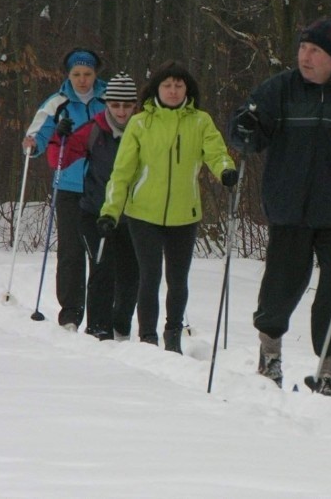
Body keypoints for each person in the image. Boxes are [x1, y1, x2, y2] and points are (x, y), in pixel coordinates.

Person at [228, 17, 331, 394]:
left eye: (315, 51)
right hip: (288, 210)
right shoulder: (279, 89)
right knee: (280, 289)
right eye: (302, 48)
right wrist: (243, 129)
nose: (305, 56)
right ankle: (270, 357)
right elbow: (246, 131)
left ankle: (328, 372)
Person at [99, 60, 237, 355]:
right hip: (143, 213)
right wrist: (110, 211)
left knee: (178, 278)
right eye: (167, 85)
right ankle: (147, 336)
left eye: (178, 85)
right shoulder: (140, 122)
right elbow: (121, 172)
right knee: (149, 275)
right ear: (156, 89)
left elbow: (215, 151)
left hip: (184, 214)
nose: (173, 91)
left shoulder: (200, 121)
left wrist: (225, 169)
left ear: (187, 89)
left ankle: (173, 333)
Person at [46, 72, 140, 342]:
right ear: (107, 103)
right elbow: (59, 161)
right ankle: (99, 329)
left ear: (134, 105)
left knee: (131, 275)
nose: (121, 111)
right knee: (102, 269)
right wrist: (59, 136)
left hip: (133, 216)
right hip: (95, 213)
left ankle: (121, 327)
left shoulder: (143, 129)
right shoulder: (94, 128)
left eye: (126, 105)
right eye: (115, 104)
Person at [22, 48, 107, 332]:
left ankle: (100, 315)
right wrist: (34, 143)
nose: (82, 80)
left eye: (87, 74)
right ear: (68, 75)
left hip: (102, 187)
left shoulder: (108, 100)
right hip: (69, 185)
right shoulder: (57, 103)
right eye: (77, 74)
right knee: (71, 251)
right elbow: (36, 134)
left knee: (100, 251)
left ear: (96, 75)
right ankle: (71, 313)